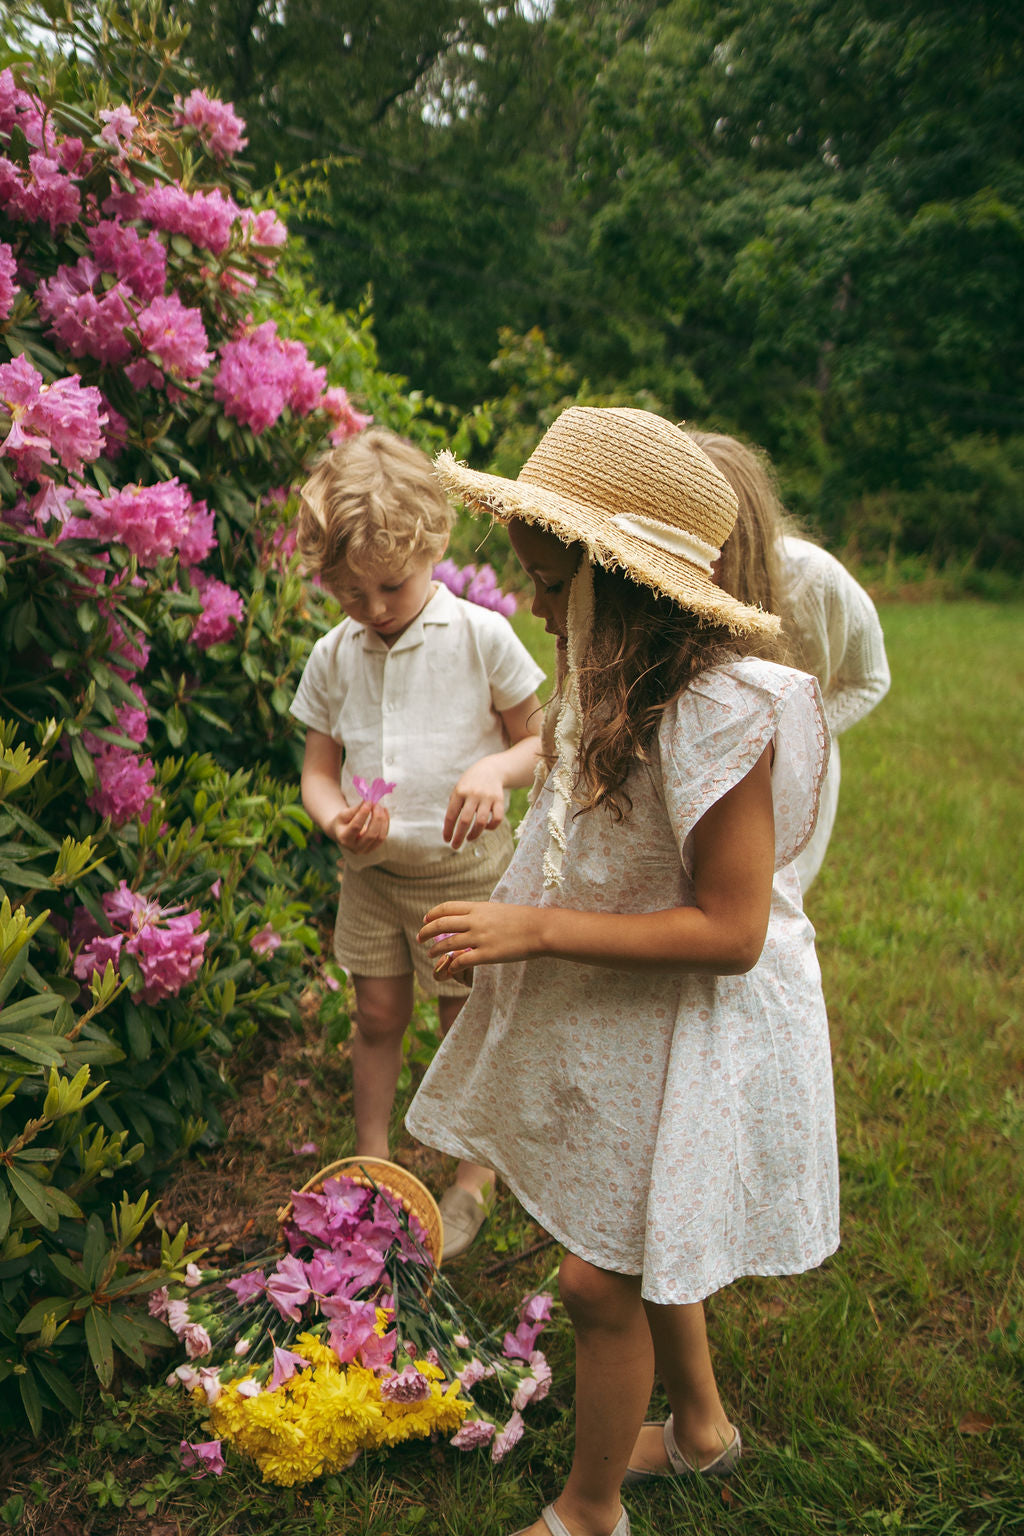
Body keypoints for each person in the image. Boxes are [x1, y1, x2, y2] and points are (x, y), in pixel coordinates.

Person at [406, 407, 840, 1536]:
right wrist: (506, 913)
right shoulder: (613, 685)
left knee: (600, 1285)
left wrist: (539, 935)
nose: (537, 604)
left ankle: (588, 1510)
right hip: (644, 1010)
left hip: (708, 1016)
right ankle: (699, 1431)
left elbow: (731, 931)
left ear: (624, 586)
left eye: (552, 583)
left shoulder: (718, 712)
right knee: (654, 1230)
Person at [289, 428, 545, 1260]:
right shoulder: (335, 655)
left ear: (432, 543)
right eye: (351, 595)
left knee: (463, 1014)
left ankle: (472, 1175)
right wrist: (334, 819)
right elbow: (318, 774)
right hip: (372, 876)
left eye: (389, 587)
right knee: (376, 1012)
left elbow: (541, 743)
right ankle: (374, 1157)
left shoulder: (482, 637)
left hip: (466, 874)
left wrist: (494, 773)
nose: (374, 610)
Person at [687, 429, 891, 891]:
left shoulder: (815, 581)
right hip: (701, 767)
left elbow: (870, 677)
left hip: (793, 771)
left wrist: (793, 735)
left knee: (772, 904)